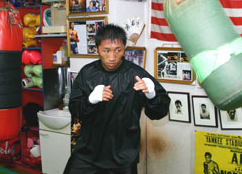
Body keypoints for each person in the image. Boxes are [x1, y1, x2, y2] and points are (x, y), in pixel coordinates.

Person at [64, 24, 170, 174]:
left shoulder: (136, 75)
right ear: (98, 49)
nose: (112, 57)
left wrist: (152, 95)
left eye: (118, 50)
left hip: (123, 156)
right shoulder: (87, 73)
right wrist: (91, 100)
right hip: (87, 153)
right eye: (106, 50)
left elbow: (160, 113)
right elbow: (75, 110)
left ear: (124, 49)